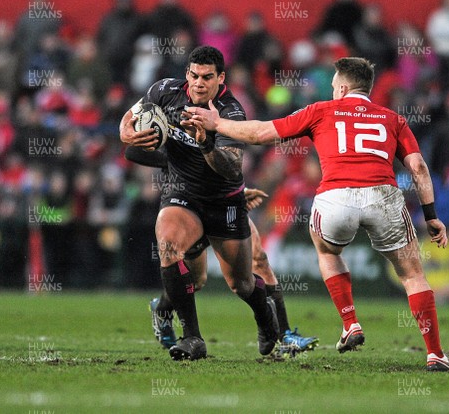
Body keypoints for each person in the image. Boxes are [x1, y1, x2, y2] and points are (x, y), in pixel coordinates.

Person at [189, 57, 449, 371]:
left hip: (336, 197)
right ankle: (435, 354)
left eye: (334, 85)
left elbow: (260, 132)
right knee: (413, 274)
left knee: (326, 249)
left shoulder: (321, 111)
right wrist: (431, 215)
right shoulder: (393, 119)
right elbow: (417, 167)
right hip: (384, 197)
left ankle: (350, 323)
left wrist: (216, 124)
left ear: (344, 87)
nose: (332, 89)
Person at [119, 46, 278, 361]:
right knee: (168, 247)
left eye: (207, 77)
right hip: (182, 194)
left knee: (242, 284)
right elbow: (132, 114)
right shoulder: (165, 91)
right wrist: (126, 132)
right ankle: (192, 338)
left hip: (224, 201)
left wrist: (206, 141)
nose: (199, 83)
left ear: (221, 78)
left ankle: (266, 317)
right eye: (193, 75)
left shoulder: (230, 112)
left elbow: (232, 167)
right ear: (187, 74)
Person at [124, 145, 319, 354]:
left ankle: (285, 335)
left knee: (258, 261)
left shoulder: (224, 116)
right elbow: (133, 152)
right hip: (188, 206)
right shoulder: (173, 119)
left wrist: (238, 190)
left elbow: (226, 161)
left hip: (226, 203)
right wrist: (179, 161)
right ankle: (163, 310)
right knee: (195, 281)